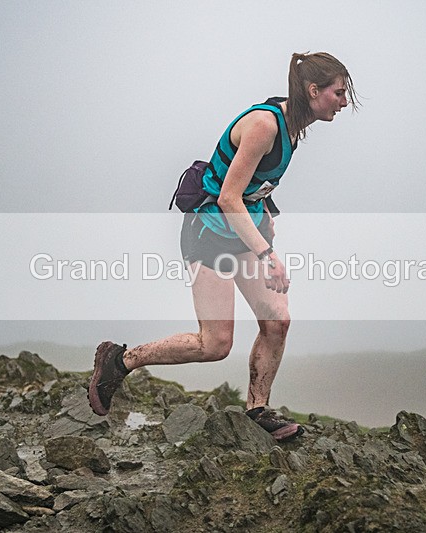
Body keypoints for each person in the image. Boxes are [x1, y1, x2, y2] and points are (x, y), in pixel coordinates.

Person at [88, 51, 358, 441]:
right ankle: (121, 360)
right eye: (339, 93)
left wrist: (268, 240)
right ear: (313, 90)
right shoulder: (265, 125)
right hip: (209, 231)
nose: (344, 102)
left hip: (241, 231)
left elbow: (255, 191)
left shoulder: (297, 127)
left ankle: (257, 410)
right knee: (215, 344)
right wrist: (266, 256)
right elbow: (230, 198)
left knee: (277, 321)